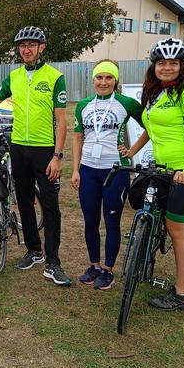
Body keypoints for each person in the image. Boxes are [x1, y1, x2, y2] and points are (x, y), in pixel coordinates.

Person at [120, 38, 184, 310]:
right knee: (156, 213)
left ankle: (183, 293)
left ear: (182, 65)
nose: (167, 67)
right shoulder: (155, 92)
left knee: (178, 229)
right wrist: (132, 150)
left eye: (173, 63)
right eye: (162, 62)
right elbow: (151, 129)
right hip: (164, 167)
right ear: (154, 66)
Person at [0, 26, 70, 286]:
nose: (26, 49)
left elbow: (61, 120)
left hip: (45, 151)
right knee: (25, 202)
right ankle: (34, 251)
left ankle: (53, 262)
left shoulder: (55, 77)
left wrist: (58, 156)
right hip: (19, 149)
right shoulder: (14, 77)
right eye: (22, 45)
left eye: (32, 44)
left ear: (42, 48)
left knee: (50, 206)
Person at [71, 60, 143, 290]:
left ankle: (109, 270)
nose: (103, 82)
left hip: (115, 171)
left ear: (115, 80)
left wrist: (131, 151)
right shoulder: (83, 105)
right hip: (88, 170)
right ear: (93, 80)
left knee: (111, 221)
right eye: (99, 78)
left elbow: (151, 128)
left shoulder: (126, 103)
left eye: (108, 78)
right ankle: (94, 265)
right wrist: (75, 170)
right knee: (90, 220)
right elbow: (78, 138)